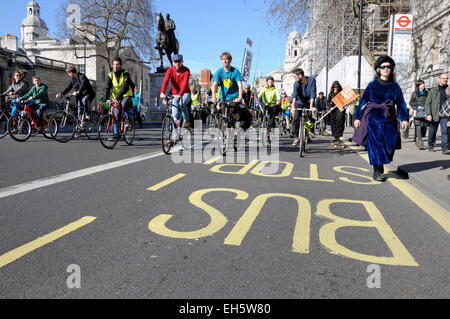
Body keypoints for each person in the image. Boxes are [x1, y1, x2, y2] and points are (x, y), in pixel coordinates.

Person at [352, 55, 409, 182]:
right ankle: (377, 171)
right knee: (376, 145)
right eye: (383, 67)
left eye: (388, 66)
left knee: (390, 145)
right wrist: (357, 117)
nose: (386, 69)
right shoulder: (372, 85)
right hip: (374, 119)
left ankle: (381, 164)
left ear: (392, 69)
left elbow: (401, 103)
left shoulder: (395, 86)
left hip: (390, 120)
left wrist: (404, 118)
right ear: (378, 69)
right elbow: (363, 102)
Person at [211, 51, 251, 131]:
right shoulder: (219, 72)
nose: (224, 61)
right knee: (224, 116)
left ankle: (238, 121)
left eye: (226, 59)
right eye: (223, 59)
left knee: (233, 110)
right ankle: (226, 136)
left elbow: (240, 85)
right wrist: (213, 97)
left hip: (234, 96)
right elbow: (214, 84)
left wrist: (240, 97)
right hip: (224, 98)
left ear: (230, 60)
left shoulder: (235, 71)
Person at [103, 57, 135, 131]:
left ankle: (128, 122)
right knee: (115, 114)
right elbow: (107, 88)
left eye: (117, 64)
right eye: (114, 64)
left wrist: (118, 98)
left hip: (126, 95)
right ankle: (116, 134)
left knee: (123, 105)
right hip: (116, 97)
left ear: (120, 65)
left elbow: (125, 87)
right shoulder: (110, 75)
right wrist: (105, 99)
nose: (115, 66)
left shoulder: (125, 74)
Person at [160, 54, 191, 128]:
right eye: (175, 61)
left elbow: (184, 84)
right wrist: (162, 93)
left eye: (179, 61)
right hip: (175, 94)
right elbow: (165, 82)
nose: (177, 63)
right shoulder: (170, 70)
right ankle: (174, 136)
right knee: (175, 115)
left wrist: (180, 95)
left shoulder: (186, 70)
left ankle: (186, 121)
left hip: (185, 93)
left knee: (181, 103)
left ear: (182, 61)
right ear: (173, 62)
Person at [290, 68, 317, 146]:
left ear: (300, 75)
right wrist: (293, 107)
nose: (294, 78)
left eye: (295, 76)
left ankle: (311, 131)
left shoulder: (312, 80)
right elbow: (294, 96)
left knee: (310, 116)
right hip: (300, 102)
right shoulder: (296, 83)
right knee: (296, 118)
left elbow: (313, 94)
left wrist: (311, 106)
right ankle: (296, 137)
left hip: (309, 102)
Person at [425, 73, 449, 154]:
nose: (445, 80)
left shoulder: (449, 89)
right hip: (434, 114)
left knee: (444, 131)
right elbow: (427, 103)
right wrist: (428, 114)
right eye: (443, 78)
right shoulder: (433, 90)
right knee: (433, 131)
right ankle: (430, 145)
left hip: (445, 114)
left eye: (447, 78)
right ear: (439, 79)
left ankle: (444, 149)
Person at [409, 79, 429, 150]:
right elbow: (411, 102)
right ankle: (420, 143)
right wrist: (417, 106)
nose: (423, 85)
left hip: (425, 112)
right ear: (418, 86)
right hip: (418, 112)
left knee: (424, 127)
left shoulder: (427, 93)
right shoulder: (414, 93)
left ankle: (418, 139)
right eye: (421, 84)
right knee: (418, 126)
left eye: (423, 84)